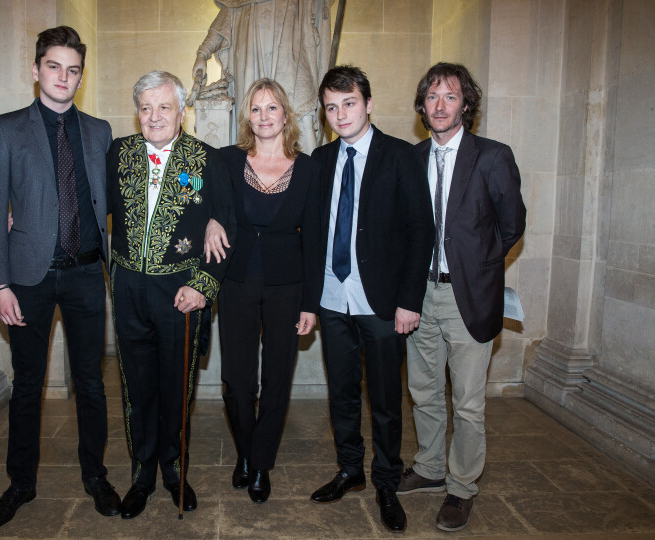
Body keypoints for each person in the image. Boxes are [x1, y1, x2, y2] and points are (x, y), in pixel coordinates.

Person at [0, 26, 119, 529]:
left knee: (90, 382)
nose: (64, 76)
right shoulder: (7, 127)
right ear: (37, 70)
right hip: (28, 279)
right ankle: (20, 483)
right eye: (55, 66)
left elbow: (118, 201)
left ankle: (96, 476)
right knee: (28, 384)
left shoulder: (100, 131)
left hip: (85, 274)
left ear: (81, 77)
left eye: (74, 69)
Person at [399, 62, 526, 532]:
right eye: (432, 96)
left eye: (450, 96)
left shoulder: (492, 156)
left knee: (468, 402)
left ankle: (461, 487)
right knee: (424, 391)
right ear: (422, 105)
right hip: (419, 295)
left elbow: (512, 224)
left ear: (466, 104)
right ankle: (431, 468)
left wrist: (479, 265)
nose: (439, 105)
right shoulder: (411, 159)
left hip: (468, 296)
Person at [308, 66, 434, 533]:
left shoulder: (400, 156)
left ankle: (385, 480)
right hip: (332, 299)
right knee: (341, 394)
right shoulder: (320, 161)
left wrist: (409, 300)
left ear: (368, 103)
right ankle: (350, 470)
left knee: (384, 400)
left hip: (382, 304)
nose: (340, 114)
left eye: (349, 104)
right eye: (331, 107)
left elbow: (421, 232)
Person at [106, 71, 235, 519]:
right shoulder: (116, 154)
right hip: (127, 290)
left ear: (182, 111)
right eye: (146, 107)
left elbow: (227, 225)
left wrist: (203, 286)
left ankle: (174, 468)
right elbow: (84, 206)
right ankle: (142, 472)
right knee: (136, 387)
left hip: (179, 294)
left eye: (164, 107)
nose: (154, 116)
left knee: (176, 387)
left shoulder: (207, 159)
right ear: (137, 110)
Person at [215, 78, 321, 504]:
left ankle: (260, 464)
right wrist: (208, 221)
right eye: (256, 109)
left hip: (287, 288)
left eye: (271, 108)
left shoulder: (309, 168)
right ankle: (244, 450)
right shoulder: (225, 161)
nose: (264, 116)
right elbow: (196, 197)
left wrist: (311, 303)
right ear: (248, 117)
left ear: (285, 115)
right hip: (236, 284)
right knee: (237, 381)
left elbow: (314, 240)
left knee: (277, 379)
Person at [192, 0, 332, 152]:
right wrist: (203, 53)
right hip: (249, 59)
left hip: (291, 53)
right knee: (253, 113)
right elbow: (223, 21)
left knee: (300, 114)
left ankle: (307, 170)